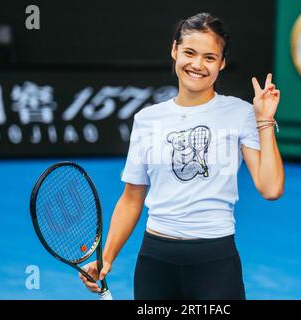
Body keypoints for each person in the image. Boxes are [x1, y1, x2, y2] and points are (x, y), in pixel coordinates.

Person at [79, 12, 285, 300]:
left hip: (215, 262)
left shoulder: (240, 113)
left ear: (222, 63)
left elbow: (271, 188)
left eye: (210, 57)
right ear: (174, 51)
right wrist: (107, 258)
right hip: (155, 261)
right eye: (189, 52)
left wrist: (264, 120)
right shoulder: (147, 119)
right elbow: (131, 198)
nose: (197, 65)